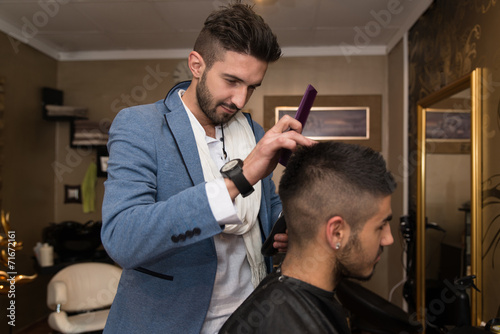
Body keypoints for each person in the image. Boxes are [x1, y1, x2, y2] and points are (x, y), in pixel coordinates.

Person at [100, 1, 314, 333]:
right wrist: (241, 177)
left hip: (249, 317)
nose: (240, 100)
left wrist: (287, 231)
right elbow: (122, 239)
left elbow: (265, 207)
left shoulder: (254, 133)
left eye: (252, 87)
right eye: (231, 80)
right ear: (196, 65)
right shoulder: (139, 125)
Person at [219, 142, 396, 334]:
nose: (389, 239)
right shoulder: (284, 322)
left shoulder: (289, 299)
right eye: (381, 226)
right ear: (336, 233)